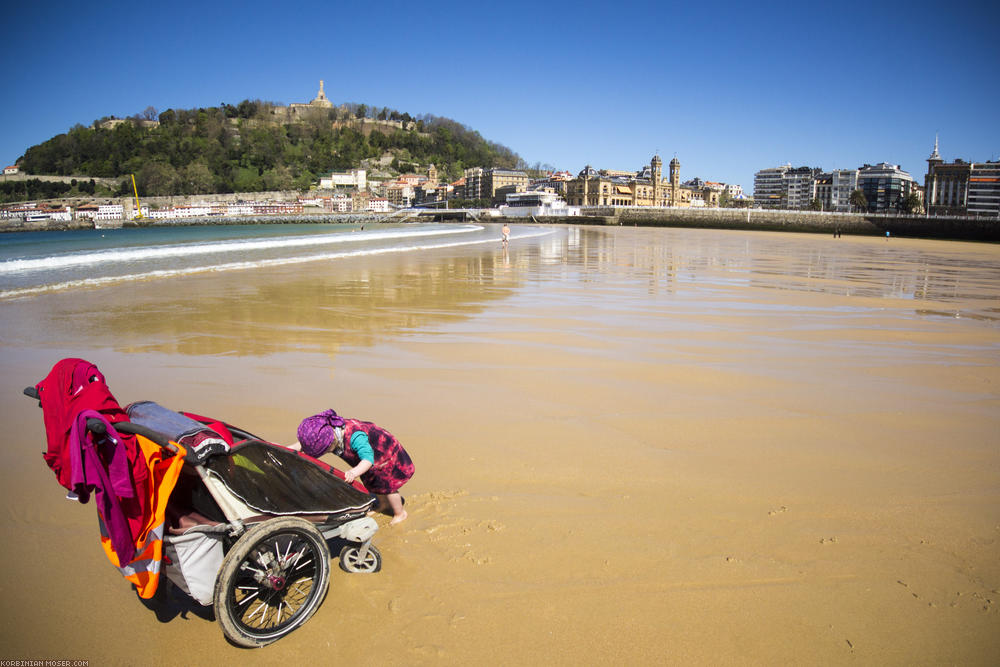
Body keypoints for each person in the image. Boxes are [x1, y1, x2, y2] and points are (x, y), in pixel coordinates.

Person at [293, 409, 414, 525]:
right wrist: (284, 448)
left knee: (388, 486)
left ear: (331, 442)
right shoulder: (329, 432)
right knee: (375, 483)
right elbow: (304, 445)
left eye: (325, 451)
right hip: (369, 457)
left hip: (384, 454)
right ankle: (383, 504)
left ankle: (400, 513)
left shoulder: (355, 438)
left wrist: (354, 472)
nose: (324, 453)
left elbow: (367, 460)